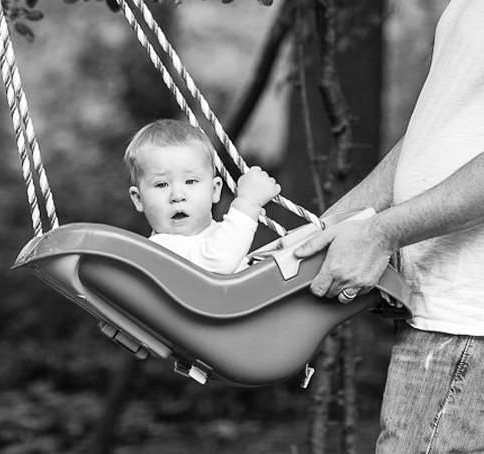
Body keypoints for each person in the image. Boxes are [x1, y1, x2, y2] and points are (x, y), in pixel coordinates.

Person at [293, 1, 484, 452]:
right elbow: (433, 134)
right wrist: (321, 231)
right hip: (444, 312)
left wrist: (382, 234)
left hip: (466, 320)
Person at [124, 119, 280, 274]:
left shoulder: (217, 235)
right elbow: (219, 261)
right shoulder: (161, 250)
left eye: (190, 181)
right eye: (161, 184)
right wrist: (247, 205)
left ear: (214, 190)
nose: (177, 196)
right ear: (139, 199)